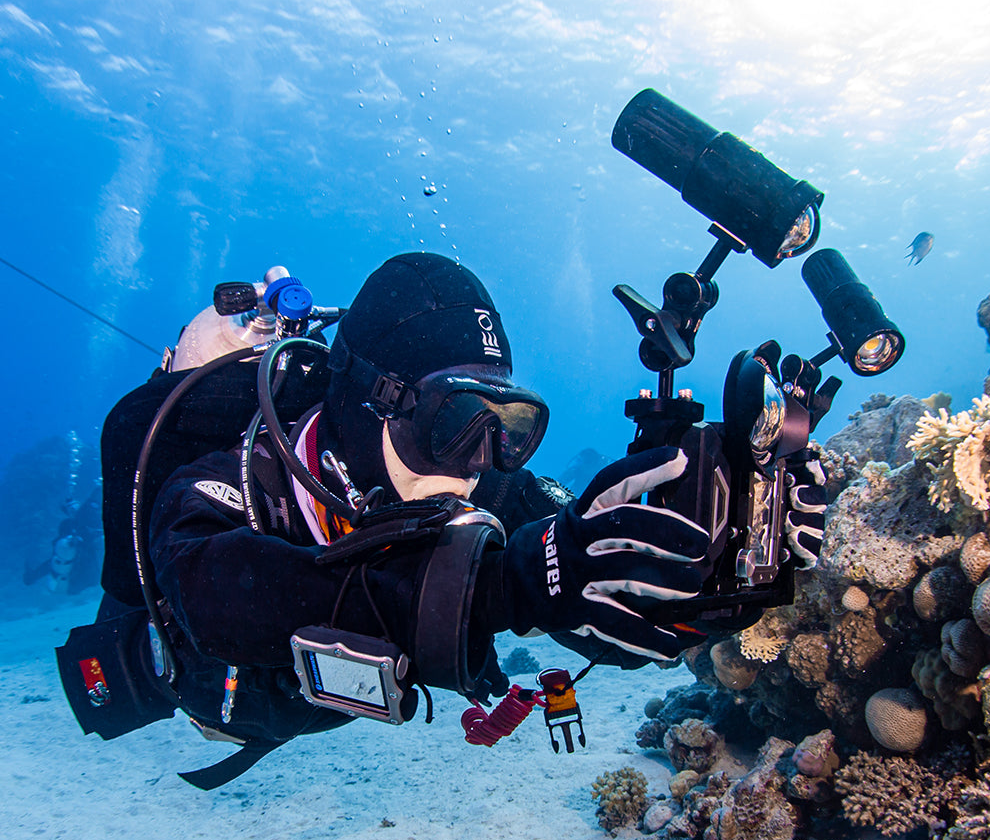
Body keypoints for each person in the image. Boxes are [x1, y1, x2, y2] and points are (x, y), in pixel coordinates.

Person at [71, 252, 825, 787]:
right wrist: (504, 591)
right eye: (456, 416)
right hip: (222, 693)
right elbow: (217, 595)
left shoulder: (482, 481)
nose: (477, 458)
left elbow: (592, 587)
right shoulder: (237, 476)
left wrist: (721, 555)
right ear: (373, 401)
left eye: (507, 422)